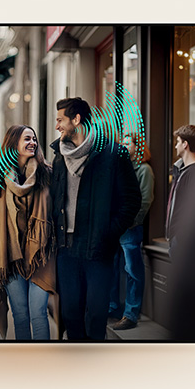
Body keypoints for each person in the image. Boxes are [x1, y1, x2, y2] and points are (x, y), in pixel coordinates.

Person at [50, 97, 142, 341]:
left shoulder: (113, 154)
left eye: (60, 120)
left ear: (77, 120)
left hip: (98, 250)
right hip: (65, 250)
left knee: (96, 316)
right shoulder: (59, 157)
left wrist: (108, 233)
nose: (57, 126)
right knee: (71, 314)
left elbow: (132, 200)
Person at [0, 125, 57, 341]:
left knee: (38, 313)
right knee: (21, 315)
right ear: (13, 143)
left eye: (34, 138)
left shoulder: (47, 174)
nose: (32, 142)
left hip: (41, 255)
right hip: (10, 257)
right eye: (27, 139)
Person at [108, 134, 155, 330]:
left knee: (133, 272)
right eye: (123, 142)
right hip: (116, 228)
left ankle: (131, 314)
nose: (124, 146)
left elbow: (145, 201)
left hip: (131, 229)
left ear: (138, 147)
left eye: (128, 143)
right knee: (113, 269)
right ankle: (113, 308)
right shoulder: (121, 166)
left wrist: (128, 222)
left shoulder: (144, 170)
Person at [165, 124, 195, 341]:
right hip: (175, 241)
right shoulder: (182, 170)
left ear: (185, 144)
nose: (175, 145)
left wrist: (179, 235)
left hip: (183, 243)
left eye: (178, 141)